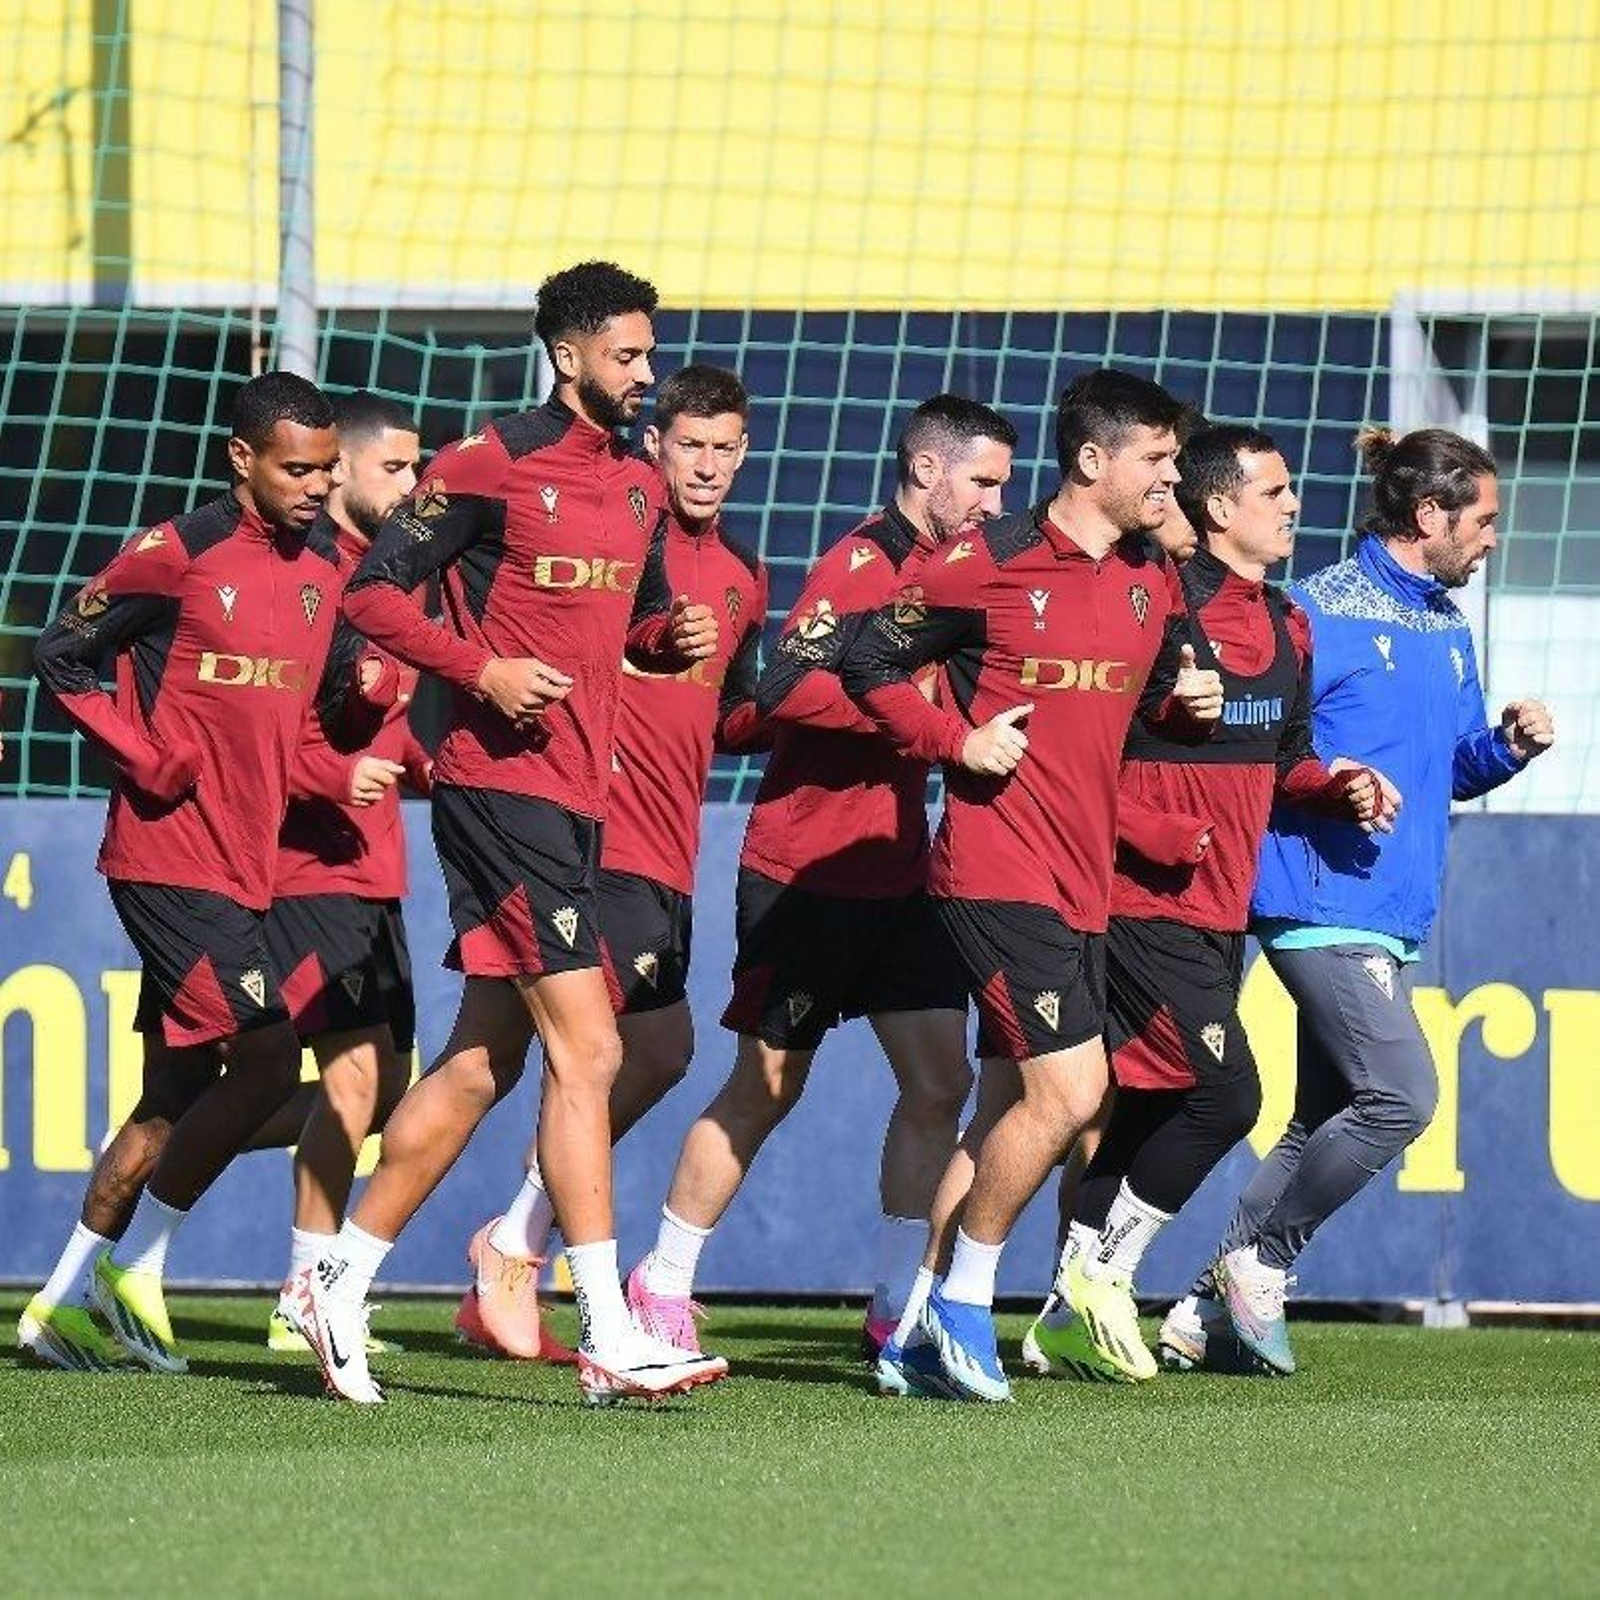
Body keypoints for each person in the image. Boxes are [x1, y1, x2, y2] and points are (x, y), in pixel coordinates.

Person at [285, 261, 728, 1405]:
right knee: (592, 1050)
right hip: (499, 793)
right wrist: (478, 666)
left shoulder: (634, 482)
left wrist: (663, 639)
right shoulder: (488, 462)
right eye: (626, 355)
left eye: (647, 354)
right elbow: (371, 591)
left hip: (581, 796)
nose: (643, 375)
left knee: (484, 1061)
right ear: (569, 353)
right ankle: (610, 1329)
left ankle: (336, 1281)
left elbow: (620, 622)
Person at [841, 369, 1220, 1402]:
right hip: (992, 867)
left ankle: (913, 1324)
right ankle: (968, 1298)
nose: (1170, 476)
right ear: (1093, 461)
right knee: (1072, 1090)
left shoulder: (1153, 575)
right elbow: (864, 660)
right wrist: (952, 739)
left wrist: (1188, 705)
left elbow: (1136, 711)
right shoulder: (986, 561)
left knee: (1014, 1107)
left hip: (1081, 879)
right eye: (1156, 458)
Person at [624, 395, 1016, 1366]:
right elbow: (784, 689)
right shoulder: (863, 562)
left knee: (940, 1081)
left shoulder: (965, 574)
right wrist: (909, 709)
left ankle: (895, 1305)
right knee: (765, 1085)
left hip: (899, 871)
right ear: (927, 472)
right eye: (983, 481)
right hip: (802, 871)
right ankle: (662, 1281)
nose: (995, 502)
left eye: (1004, 484)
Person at [1163, 425, 1554, 1377]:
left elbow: (1449, 770)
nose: (1494, 539)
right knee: (1403, 1096)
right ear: (1431, 515)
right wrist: (1328, 782)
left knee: (1320, 1118)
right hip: (1316, 895)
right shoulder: (1315, 612)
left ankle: (1201, 1311)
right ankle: (1263, 1260)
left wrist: (1507, 747)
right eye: (1485, 520)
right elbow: (1275, 751)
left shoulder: (1449, 628)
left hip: (1392, 906)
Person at [1019, 424, 1396, 1384]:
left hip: (1219, 907)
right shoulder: (1155, 603)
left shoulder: (1288, 622)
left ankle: (1064, 1314)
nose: (1294, 506)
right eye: (1275, 492)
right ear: (1221, 506)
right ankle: (1103, 1278)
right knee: (1231, 1096)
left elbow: (1283, 759)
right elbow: (1085, 748)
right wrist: (1155, 833)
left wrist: (1336, 781)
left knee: (1149, 1104)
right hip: (1139, 899)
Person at [23, 372, 350, 1374]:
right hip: (167, 858)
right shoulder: (176, 553)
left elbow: (307, 708)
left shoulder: (333, 563)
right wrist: (143, 753)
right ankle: (140, 1269)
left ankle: (54, 1306)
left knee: (173, 1095)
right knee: (265, 1060)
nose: (314, 486)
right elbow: (61, 651)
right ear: (241, 459)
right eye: (297, 468)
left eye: (327, 469)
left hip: (247, 863)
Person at [453, 363, 769, 1362]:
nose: (708, 465)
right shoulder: (611, 532)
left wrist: (820, 691)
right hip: (595, 839)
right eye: (690, 445)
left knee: (575, 1054)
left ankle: (493, 1247)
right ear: (654, 446)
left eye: (725, 447)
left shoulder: (744, 576)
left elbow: (732, 715)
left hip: (672, 844)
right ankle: (518, 1251)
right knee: (594, 1056)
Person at [259, 390, 430, 1354]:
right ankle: (305, 1292)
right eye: (396, 469)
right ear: (342, 476)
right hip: (308, 856)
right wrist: (334, 775)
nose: (413, 486)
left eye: (419, 468)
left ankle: (180, 1141)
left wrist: (434, 765)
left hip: (374, 864)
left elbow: (390, 722)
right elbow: (261, 724)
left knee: (383, 1085)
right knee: (359, 1075)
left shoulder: (387, 580)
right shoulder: (312, 575)